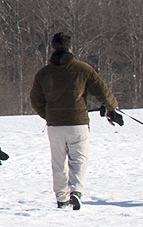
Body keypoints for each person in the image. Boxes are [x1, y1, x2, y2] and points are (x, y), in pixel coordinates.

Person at [29, 31, 121, 210]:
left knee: (58, 162)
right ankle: (76, 192)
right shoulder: (83, 69)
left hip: (55, 125)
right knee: (79, 160)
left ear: (53, 48)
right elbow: (102, 91)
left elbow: (35, 100)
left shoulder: (43, 73)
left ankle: (61, 198)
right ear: (71, 48)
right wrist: (112, 107)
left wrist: (48, 115)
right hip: (78, 122)